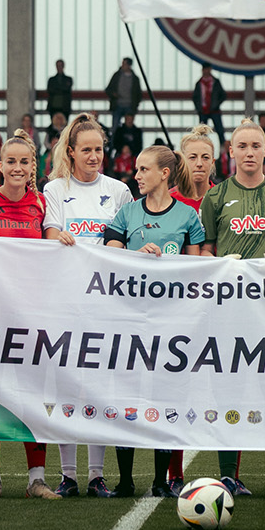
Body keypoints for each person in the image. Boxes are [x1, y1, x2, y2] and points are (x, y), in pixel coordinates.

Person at [203, 120, 265, 497]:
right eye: (241, 145)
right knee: (228, 389)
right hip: (228, 309)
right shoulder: (214, 198)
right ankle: (228, 473)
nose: (248, 152)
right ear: (230, 151)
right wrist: (220, 263)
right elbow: (206, 251)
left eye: (255, 146)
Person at [104, 144, 208, 497]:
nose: (137, 176)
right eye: (136, 169)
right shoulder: (127, 213)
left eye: (143, 170)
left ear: (164, 174)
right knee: (127, 396)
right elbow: (108, 254)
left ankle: (161, 481)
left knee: (165, 398)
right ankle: (125, 480)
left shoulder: (188, 218)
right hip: (129, 317)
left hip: (172, 321)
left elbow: (196, 271)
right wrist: (136, 255)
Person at [43, 115, 133, 497]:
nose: (94, 156)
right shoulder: (55, 189)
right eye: (87, 150)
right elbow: (49, 233)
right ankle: (69, 475)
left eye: (99, 149)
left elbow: (128, 237)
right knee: (69, 387)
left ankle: (96, 475)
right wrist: (57, 236)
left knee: (100, 388)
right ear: (71, 152)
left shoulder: (119, 191)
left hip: (109, 303)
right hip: (68, 300)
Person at [0, 129, 63, 499]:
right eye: (10, 161)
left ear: (33, 166)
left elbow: (52, 248)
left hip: (34, 315)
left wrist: (59, 240)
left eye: (24, 162)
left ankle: (36, 479)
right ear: (0, 165)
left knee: (34, 395)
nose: (17, 167)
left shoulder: (43, 204)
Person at [192, 64, 226, 139]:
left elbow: (223, 95)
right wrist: (199, 108)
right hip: (203, 111)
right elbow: (195, 97)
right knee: (202, 133)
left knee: (220, 131)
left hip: (215, 110)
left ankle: (223, 148)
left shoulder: (215, 82)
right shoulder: (199, 83)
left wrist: (216, 105)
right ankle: (202, 146)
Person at [105, 58, 140, 124]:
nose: (122, 65)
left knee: (128, 125)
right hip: (118, 105)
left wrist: (135, 105)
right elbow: (108, 89)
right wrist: (113, 94)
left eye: (124, 64)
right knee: (115, 126)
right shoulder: (117, 76)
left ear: (129, 65)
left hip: (129, 105)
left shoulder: (135, 79)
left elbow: (138, 94)